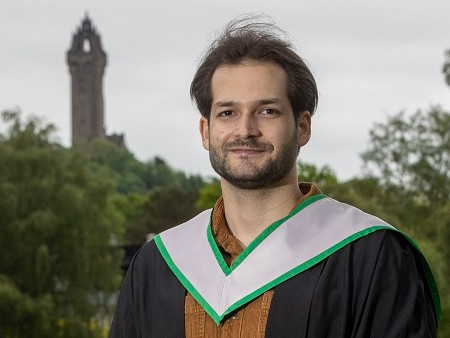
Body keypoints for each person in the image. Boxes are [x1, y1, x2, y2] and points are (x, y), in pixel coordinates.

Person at [109, 17, 439, 337]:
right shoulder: (156, 266)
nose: (245, 130)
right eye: (227, 112)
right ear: (205, 131)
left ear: (302, 127)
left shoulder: (371, 256)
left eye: (268, 111)